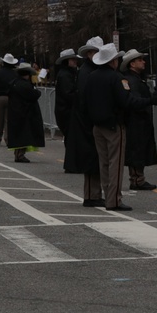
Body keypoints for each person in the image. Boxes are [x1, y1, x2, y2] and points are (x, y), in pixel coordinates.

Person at [85, 44, 157, 211]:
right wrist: (150, 101)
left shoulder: (91, 77)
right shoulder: (116, 78)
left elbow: (84, 101)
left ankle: (107, 195)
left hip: (97, 125)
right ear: (113, 61)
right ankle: (114, 200)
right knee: (115, 164)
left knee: (103, 163)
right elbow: (127, 101)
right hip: (113, 125)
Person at [64, 36, 103, 196]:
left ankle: (92, 195)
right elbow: (85, 99)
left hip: (87, 119)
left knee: (93, 159)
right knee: (92, 158)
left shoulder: (87, 71)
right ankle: (92, 195)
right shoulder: (88, 72)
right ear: (89, 53)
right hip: (88, 121)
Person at [121, 49, 157, 191]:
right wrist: (150, 101)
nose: (143, 62)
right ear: (132, 64)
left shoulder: (136, 79)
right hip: (135, 120)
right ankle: (137, 179)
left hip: (140, 119)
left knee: (140, 148)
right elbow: (134, 101)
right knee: (136, 148)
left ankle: (138, 177)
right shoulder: (131, 80)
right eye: (140, 60)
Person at [6, 63, 44, 163]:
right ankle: (20, 155)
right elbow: (33, 95)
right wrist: (37, 92)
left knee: (18, 134)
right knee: (23, 134)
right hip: (24, 112)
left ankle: (17, 154)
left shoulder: (14, 83)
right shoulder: (24, 85)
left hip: (15, 111)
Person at [53, 48, 81, 148]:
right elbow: (69, 94)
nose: (75, 61)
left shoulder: (67, 73)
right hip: (66, 112)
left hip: (64, 111)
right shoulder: (65, 75)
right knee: (71, 137)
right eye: (72, 59)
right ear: (66, 61)